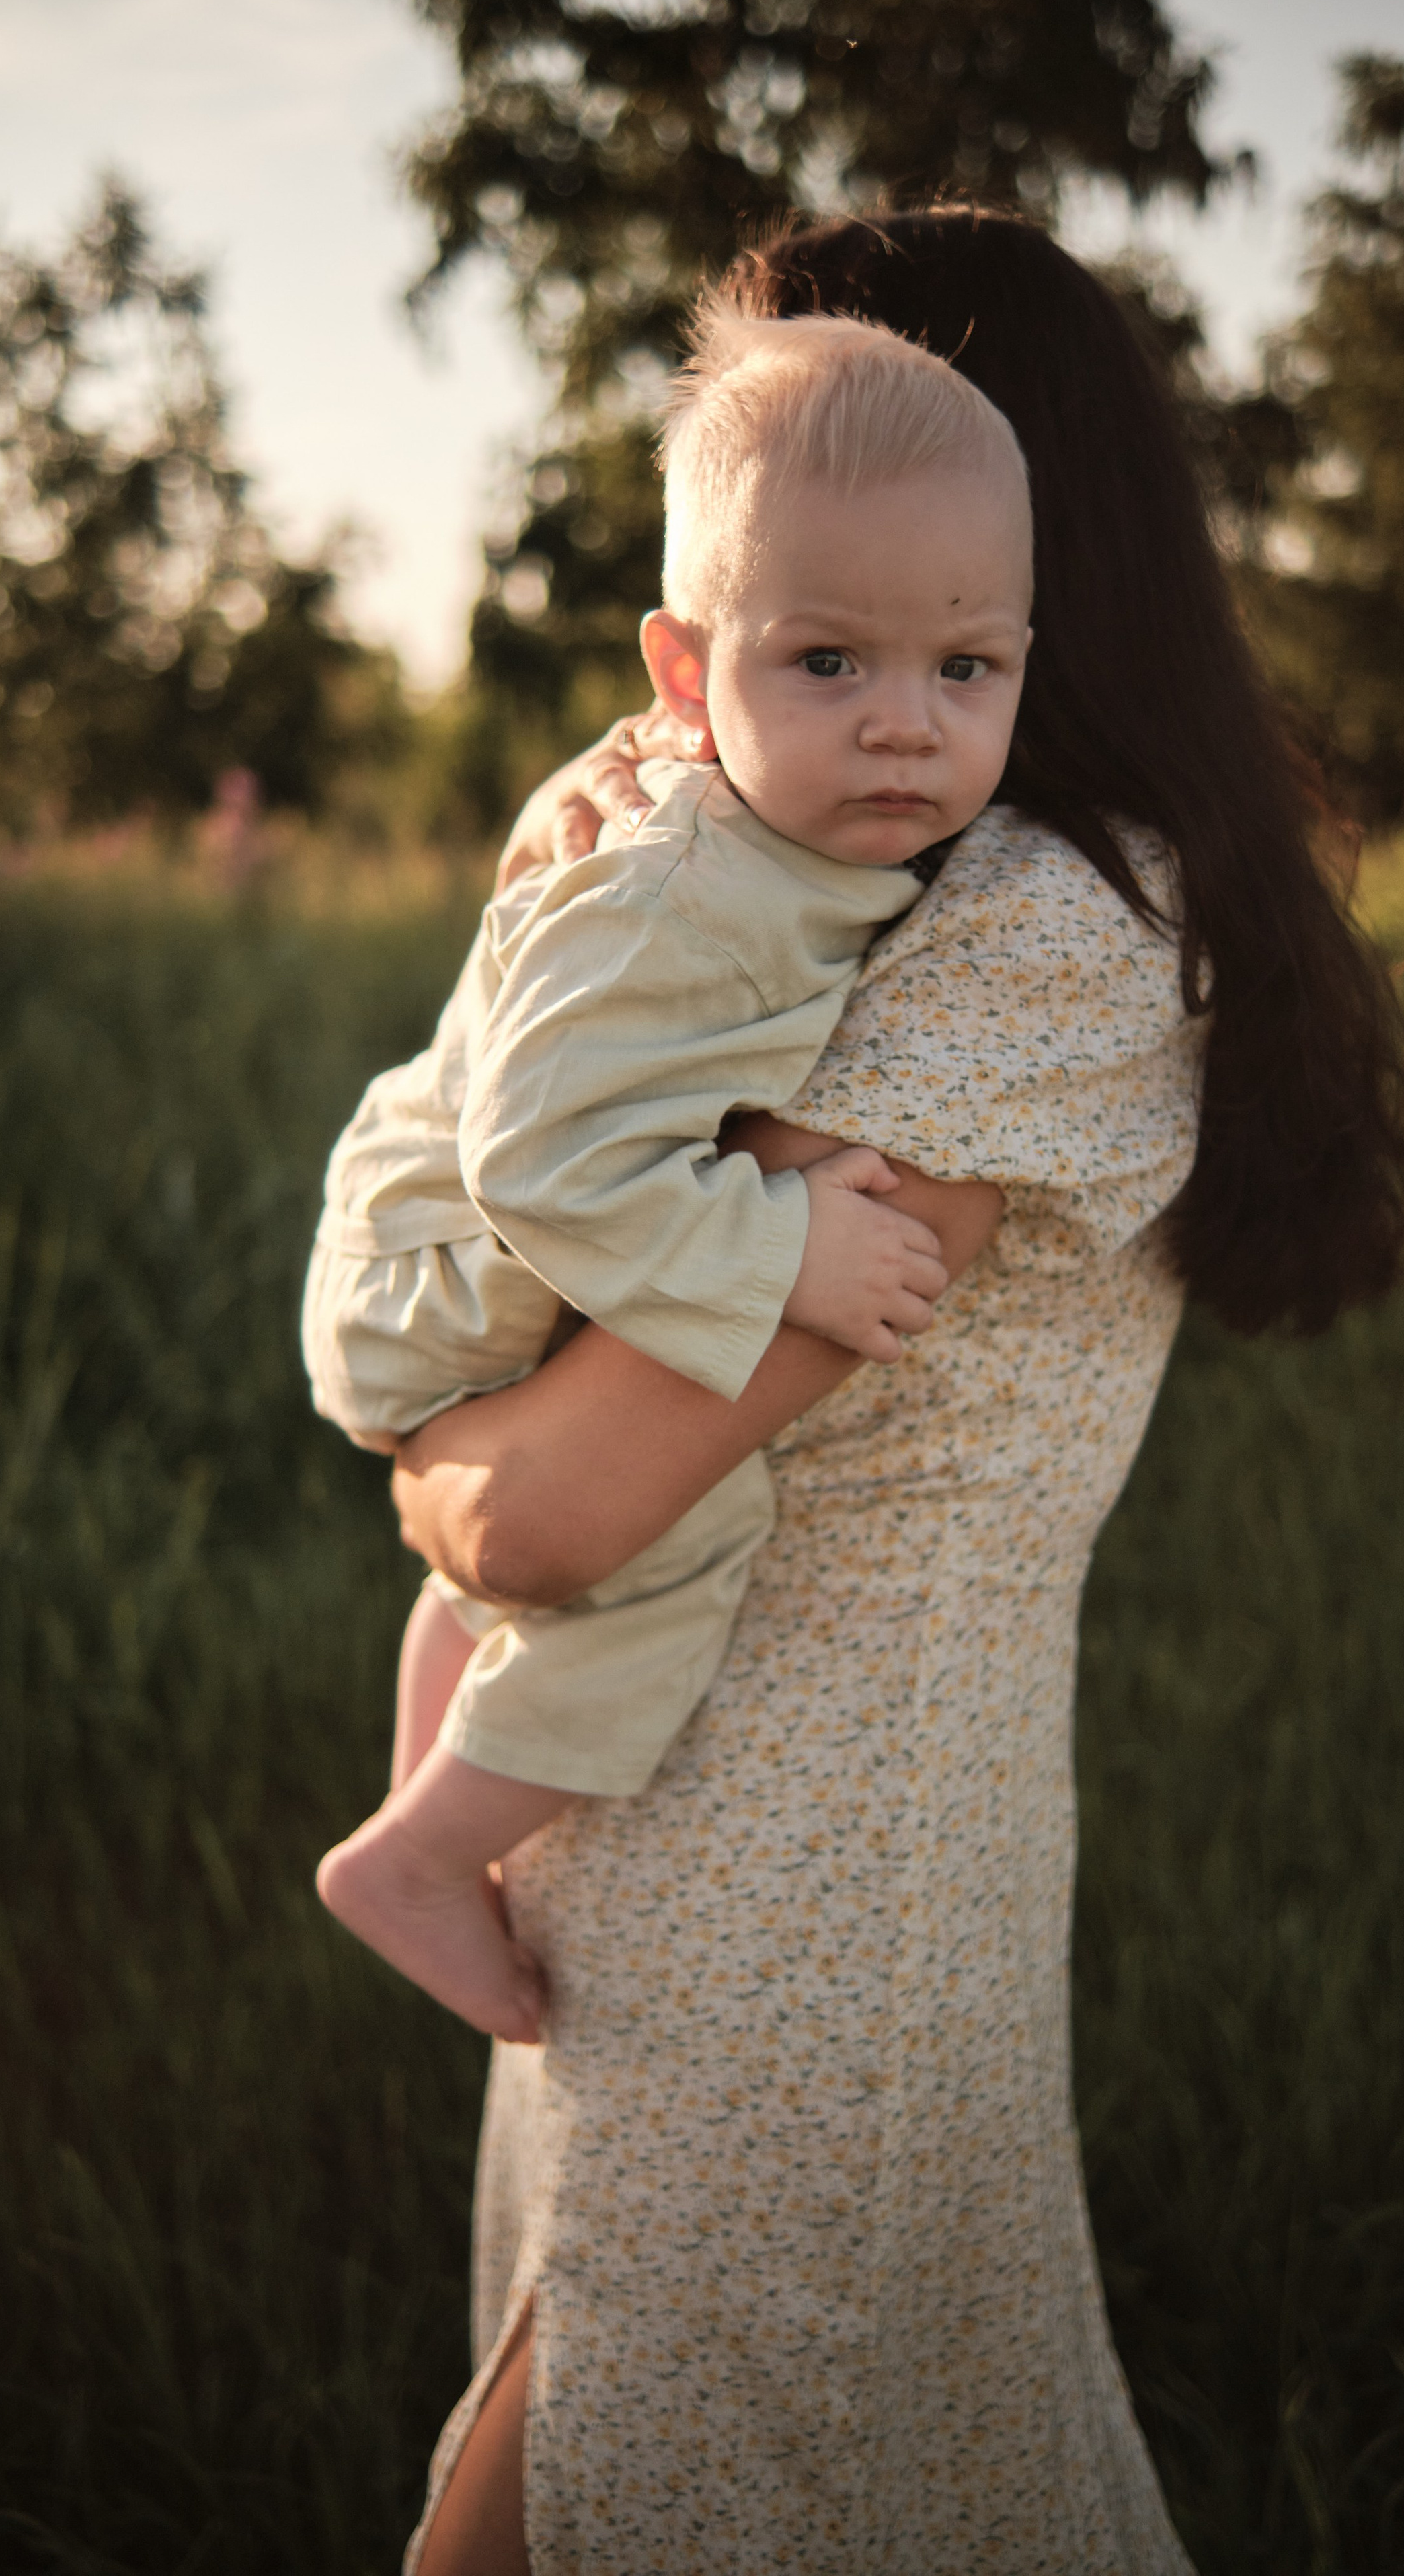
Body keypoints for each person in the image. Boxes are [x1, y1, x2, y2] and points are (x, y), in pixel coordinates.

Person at [388, 209, 1404, 2576]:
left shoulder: (1046, 931)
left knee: (662, 2490)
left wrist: (427, 1469)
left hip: (812, 1859)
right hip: (659, 1801)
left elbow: (551, 1500)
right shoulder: (837, 869)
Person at [308, 309, 1034, 2043]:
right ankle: (419, 1860)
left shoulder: (785, 834)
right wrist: (777, 1244)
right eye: (829, 664)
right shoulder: (671, 885)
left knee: (524, 1553)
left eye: (968, 671)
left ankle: (432, 1829)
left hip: (479, 1250)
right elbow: (536, 1153)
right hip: (445, 1259)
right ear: (691, 677)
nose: (904, 731)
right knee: (679, 1539)